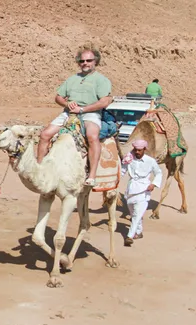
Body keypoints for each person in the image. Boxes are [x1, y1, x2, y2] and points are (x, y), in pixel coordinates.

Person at [37, 46, 113, 186]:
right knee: (45, 135)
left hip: (90, 114)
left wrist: (83, 109)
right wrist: (67, 103)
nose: (85, 63)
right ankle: (40, 168)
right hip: (68, 113)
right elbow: (58, 97)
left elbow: (104, 101)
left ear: (95, 61)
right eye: (82, 60)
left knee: (92, 136)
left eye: (89, 60)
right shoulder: (72, 79)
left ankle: (92, 175)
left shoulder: (101, 80)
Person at [121, 139, 162, 247]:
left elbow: (158, 173)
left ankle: (129, 236)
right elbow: (122, 171)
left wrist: (154, 184)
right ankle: (139, 232)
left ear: (144, 149)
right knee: (133, 212)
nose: (137, 152)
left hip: (144, 190)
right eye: (136, 150)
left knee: (136, 215)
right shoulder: (129, 159)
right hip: (131, 189)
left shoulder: (151, 161)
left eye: (139, 150)